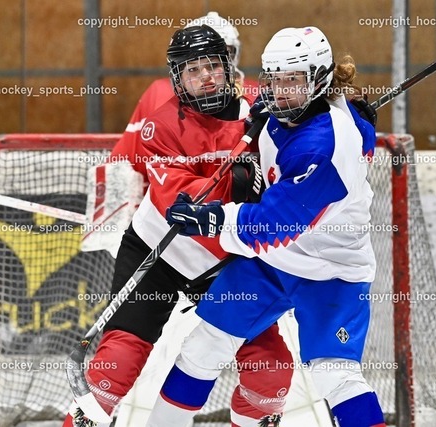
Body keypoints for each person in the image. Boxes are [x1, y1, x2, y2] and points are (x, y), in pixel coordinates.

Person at [147, 26, 386, 427]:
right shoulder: (297, 107)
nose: (280, 90)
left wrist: (212, 218)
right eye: (274, 79)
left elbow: (273, 226)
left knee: (334, 374)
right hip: (273, 263)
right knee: (204, 347)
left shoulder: (324, 147)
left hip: (331, 269)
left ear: (319, 79)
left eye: (293, 80)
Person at [63, 25, 293, 427]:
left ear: (228, 67)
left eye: (212, 66)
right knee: (115, 367)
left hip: (227, 262)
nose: (205, 77)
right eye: (193, 70)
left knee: (270, 375)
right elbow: (182, 203)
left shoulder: (260, 112)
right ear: (178, 78)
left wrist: (347, 114)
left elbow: (313, 119)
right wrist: (237, 182)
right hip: (160, 251)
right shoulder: (161, 125)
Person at [110, 11, 258, 185]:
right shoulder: (159, 97)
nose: (206, 75)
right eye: (193, 67)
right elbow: (122, 165)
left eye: (214, 62)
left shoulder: (257, 98)